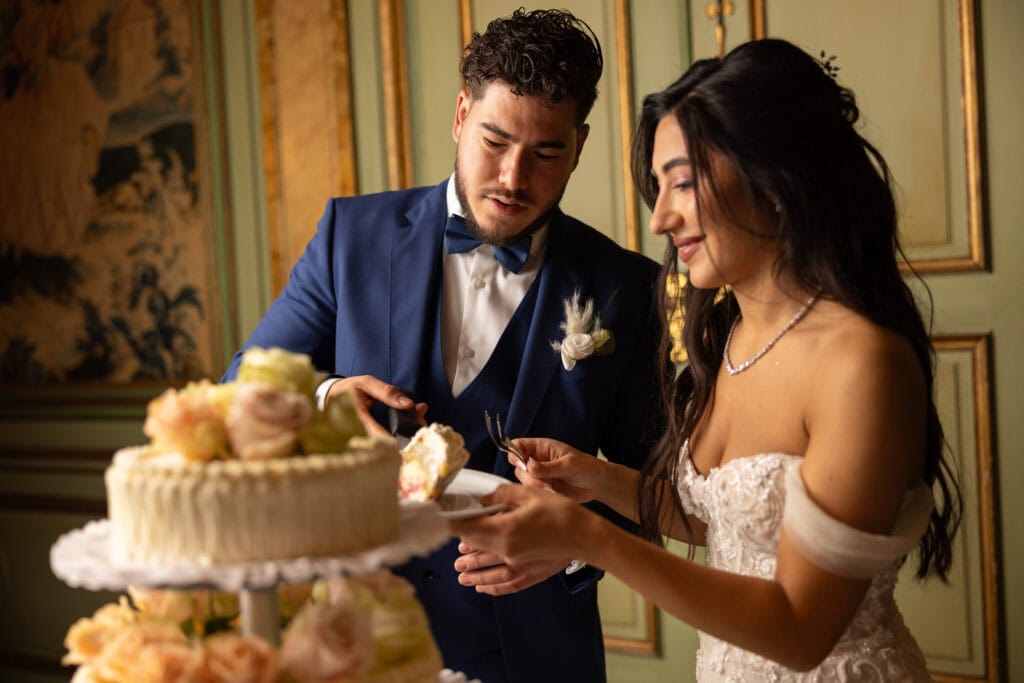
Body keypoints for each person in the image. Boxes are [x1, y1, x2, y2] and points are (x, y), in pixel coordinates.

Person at [452, 38, 961, 681]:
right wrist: (597, 479)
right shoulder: (728, 337)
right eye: (659, 187)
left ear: (774, 178)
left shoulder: (862, 364)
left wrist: (586, 535)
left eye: (682, 184)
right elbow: (724, 522)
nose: (661, 217)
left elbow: (802, 630)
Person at [224, 8, 664, 682]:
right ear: (461, 116)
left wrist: (577, 547)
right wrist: (327, 397)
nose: (514, 177)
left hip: (534, 658)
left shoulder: (626, 288)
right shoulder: (352, 236)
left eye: (546, 152)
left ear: (578, 145)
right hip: (351, 641)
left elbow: (660, 490)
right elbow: (240, 387)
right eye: (494, 140)